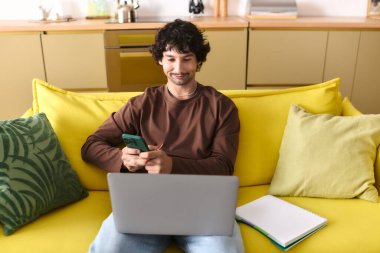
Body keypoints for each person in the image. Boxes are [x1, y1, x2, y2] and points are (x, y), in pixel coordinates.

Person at [81, 19, 244, 253]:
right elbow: (91, 145)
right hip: (144, 206)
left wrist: (172, 164)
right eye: (171, 58)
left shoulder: (222, 107)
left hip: (202, 208)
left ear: (198, 61)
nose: (178, 68)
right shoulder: (142, 104)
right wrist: (123, 160)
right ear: (160, 59)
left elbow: (223, 166)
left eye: (186, 59)